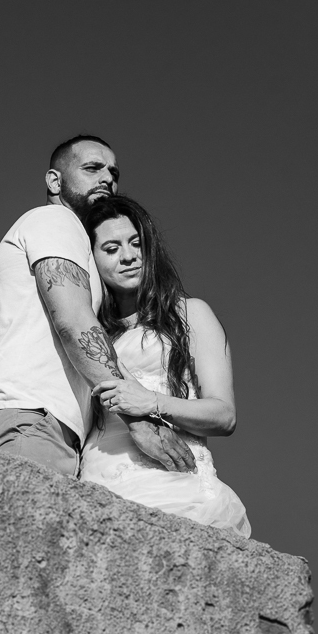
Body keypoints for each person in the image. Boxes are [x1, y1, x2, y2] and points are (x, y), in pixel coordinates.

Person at [0, 136, 195, 478]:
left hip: (52, 428)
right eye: (92, 168)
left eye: (113, 173)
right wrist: (139, 421)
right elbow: (74, 322)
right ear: (54, 181)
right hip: (29, 419)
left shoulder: (75, 240)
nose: (107, 179)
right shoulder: (55, 221)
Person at [79, 194, 251, 536]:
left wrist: (152, 403)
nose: (128, 256)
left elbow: (224, 415)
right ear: (92, 259)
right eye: (111, 248)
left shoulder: (189, 313)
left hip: (172, 485)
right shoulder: (90, 334)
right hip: (98, 479)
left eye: (136, 243)